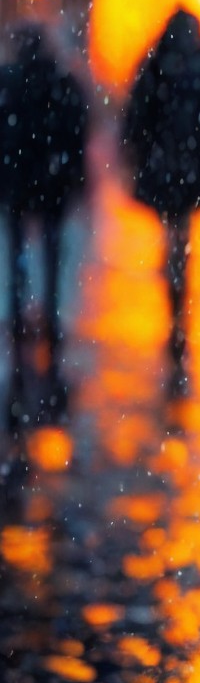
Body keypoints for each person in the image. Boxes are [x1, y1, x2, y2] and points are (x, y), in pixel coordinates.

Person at [122, 8, 200, 393]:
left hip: (164, 169)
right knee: (181, 234)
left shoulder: (155, 62)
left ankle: (174, 291)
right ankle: (179, 296)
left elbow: (135, 118)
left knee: (173, 234)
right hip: (191, 171)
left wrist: (138, 156)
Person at [0, 23, 89, 418]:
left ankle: (23, 326)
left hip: (19, 186)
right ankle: (48, 330)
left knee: (19, 257)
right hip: (50, 187)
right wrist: (72, 177)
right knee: (52, 259)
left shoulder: (9, 80)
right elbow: (75, 134)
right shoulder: (62, 80)